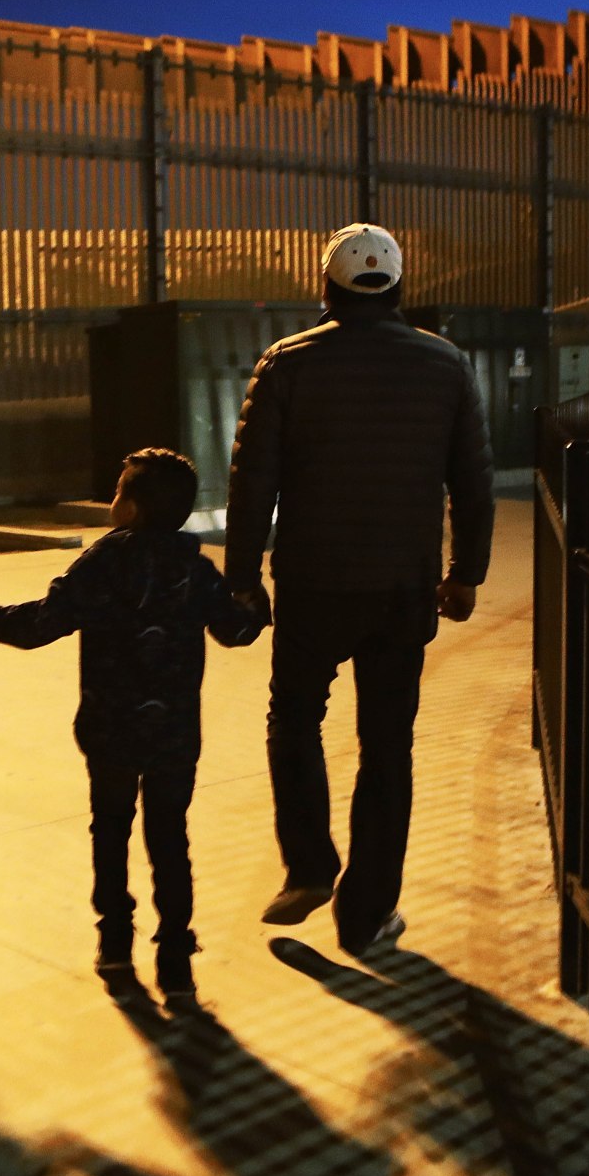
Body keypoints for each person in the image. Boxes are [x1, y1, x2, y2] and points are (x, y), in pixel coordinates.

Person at [222, 223, 494, 957]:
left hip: (314, 585)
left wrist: (242, 582)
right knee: (386, 747)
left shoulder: (287, 365)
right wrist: (466, 572)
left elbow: (253, 489)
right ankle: (367, 915)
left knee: (295, 718)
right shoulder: (446, 367)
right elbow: (472, 483)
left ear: (326, 287)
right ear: (399, 289)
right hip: (402, 590)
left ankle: (310, 866)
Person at [0, 450, 263, 996]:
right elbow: (237, 632)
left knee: (111, 826)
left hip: (110, 729)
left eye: (120, 491)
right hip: (174, 733)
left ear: (134, 508)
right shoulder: (195, 570)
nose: (113, 500)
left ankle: (115, 942)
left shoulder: (103, 563)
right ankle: (175, 953)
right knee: (170, 834)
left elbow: (39, 625)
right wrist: (252, 603)